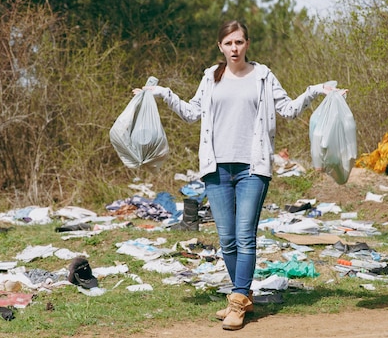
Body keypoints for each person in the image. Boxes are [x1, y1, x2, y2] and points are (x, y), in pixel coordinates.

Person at [135, 20, 343, 330]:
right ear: (220, 46)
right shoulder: (211, 77)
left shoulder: (262, 76)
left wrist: (316, 91)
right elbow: (192, 112)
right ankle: (243, 295)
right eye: (229, 43)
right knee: (227, 239)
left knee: (245, 236)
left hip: (252, 168)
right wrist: (161, 93)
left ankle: (236, 304)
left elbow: (288, 109)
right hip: (216, 168)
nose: (235, 48)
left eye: (239, 42)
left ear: (247, 44)